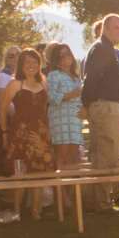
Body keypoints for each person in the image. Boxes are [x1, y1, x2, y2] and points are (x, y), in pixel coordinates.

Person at [80, 14, 119, 209]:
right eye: (117, 28)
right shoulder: (100, 49)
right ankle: (100, 201)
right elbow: (91, 80)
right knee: (104, 153)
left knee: (117, 152)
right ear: (106, 28)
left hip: (115, 105)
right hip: (104, 106)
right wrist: (87, 105)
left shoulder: (109, 48)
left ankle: (114, 194)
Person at [0, 46, 54, 221]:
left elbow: (47, 109)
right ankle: (16, 210)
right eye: (27, 62)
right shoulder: (15, 84)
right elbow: (2, 109)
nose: (31, 65)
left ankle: (36, 210)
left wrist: (47, 133)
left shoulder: (44, 83)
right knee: (20, 174)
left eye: (34, 61)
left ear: (39, 64)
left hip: (41, 134)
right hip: (20, 135)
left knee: (38, 171)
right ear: (21, 65)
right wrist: (5, 132)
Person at [44, 41, 84, 171]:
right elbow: (51, 98)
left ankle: (73, 190)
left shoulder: (76, 77)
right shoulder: (54, 75)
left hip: (74, 121)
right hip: (60, 120)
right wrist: (72, 95)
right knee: (62, 155)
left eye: (68, 54)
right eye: (61, 56)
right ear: (56, 60)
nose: (66, 57)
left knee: (74, 156)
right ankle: (61, 190)